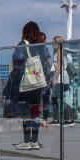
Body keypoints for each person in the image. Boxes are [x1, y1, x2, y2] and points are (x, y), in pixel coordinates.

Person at [11, 21, 51, 150]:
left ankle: (26, 141)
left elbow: (17, 64)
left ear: (25, 32)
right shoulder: (42, 47)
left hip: (27, 82)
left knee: (26, 113)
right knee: (35, 112)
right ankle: (35, 141)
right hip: (39, 83)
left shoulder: (23, 45)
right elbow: (45, 66)